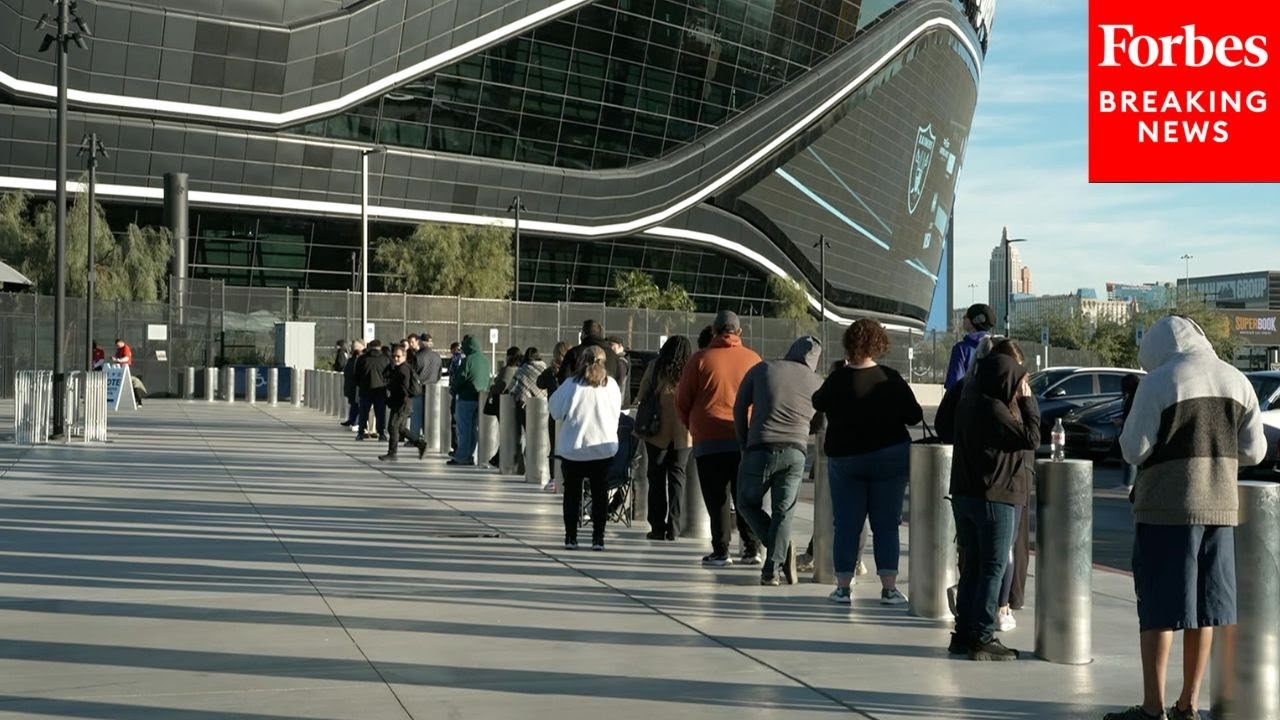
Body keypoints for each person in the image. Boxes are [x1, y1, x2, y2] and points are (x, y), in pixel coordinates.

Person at [1104, 315, 1266, 720]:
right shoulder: (1238, 381)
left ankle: (1152, 706)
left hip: (1165, 508)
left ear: (1158, 350)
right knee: (1205, 607)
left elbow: (1133, 450)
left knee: (1159, 608)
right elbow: (1255, 452)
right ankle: (1188, 704)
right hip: (1220, 507)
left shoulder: (1159, 381)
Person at [812, 320, 921, 606]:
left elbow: (817, 401)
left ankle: (843, 587)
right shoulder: (890, 377)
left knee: (846, 524)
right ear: (879, 344)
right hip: (889, 458)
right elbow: (914, 415)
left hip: (846, 459)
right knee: (886, 524)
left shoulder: (837, 379)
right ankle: (889, 588)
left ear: (849, 344)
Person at [949, 339, 1039, 661]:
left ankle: (963, 633)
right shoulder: (995, 408)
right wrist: (1028, 403)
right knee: (993, 567)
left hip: (965, 493)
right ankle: (984, 635)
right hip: (995, 495)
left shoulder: (970, 398)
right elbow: (1032, 438)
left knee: (972, 565)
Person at [734, 335, 823, 586]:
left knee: (746, 503)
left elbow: (739, 407)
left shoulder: (763, 368)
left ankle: (779, 548)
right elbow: (821, 423)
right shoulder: (818, 382)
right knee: (783, 512)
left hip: (759, 447)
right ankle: (771, 570)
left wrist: (743, 443)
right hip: (796, 453)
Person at [676, 310, 762, 566]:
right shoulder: (753, 360)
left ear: (713, 331)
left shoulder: (700, 359)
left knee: (716, 498)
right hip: (744, 437)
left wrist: (693, 424)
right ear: (740, 333)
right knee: (744, 495)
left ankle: (721, 550)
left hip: (709, 438)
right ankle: (751, 548)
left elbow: (683, 399)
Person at [550, 345, 623, 551]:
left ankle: (571, 537)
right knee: (600, 494)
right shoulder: (612, 386)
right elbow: (616, 413)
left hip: (574, 448)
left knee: (571, 494)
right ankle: (598, 538)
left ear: (581, 361)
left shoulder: (571, 385)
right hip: (603, 448)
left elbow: (555, 410)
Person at [635, 335, 693, 541]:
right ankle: (674, 527)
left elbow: (642, 394)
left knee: (656, 478)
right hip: (684, 433)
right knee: (678, 478)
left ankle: (657, 526)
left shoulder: (655, 366)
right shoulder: (691, 369)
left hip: (656, 430)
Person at [380, 344, 428, 462]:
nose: (396, 358)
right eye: (394, 356)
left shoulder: (403, 369)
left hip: (402, 402)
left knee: (393, 427)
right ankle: (420, 443)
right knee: (400, 428)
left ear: (404, 357)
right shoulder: (400, 368)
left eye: (398, 356)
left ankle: (392, 453)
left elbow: (404, 388)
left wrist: (396, 396)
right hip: (400, 402)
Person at [506, 347, 548, 477]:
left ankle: (524, 465)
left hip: (524, 407)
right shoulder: (544, 368)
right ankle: (538, 466)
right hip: (542, 406)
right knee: (539, 437)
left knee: (525, 436)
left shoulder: (523, 369)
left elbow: (513, 388)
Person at [449, 335, 490, 466]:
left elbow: (460, 379)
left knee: (464, 429)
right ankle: (471, 455)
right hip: (480, 398)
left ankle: (462, 457)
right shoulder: (486, 360)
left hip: (466, 398)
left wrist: (454, 389)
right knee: (474, 429)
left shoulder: (468, 360)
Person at [537, 341, 571, 493]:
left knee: (554, 445)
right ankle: (565, 477)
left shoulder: (552, 371)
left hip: (554, 411)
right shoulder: (572, 369)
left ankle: (554, 478)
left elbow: (540, 383)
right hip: (570, 412)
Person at [944, 303, 995, 389]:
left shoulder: (961, 349)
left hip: (968, 400)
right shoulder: (998, 347)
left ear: (975, 320)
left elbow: (954, 386)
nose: (963, 318)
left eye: (966, 316)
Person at [488, 346, 524, 468]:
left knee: (505, 432)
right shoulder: (521, 369)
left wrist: (492, 388)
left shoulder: (508, 369)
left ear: (509, 356)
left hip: (503, 404)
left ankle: (499, 458)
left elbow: (500, 386)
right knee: (514, 432)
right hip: (516, 404)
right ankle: (502, 458)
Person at [559, 320, 623, 386]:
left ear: (583, 333)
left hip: (580, 394)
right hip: (607, 394)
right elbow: (619, 379)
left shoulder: (574, 353)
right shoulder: (612, 355)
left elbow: (564, 378)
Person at [355, 340, 390, 441]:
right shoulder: (385, 359)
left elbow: (356, 375)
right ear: (380, 347)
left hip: (365, 390)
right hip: (380, 390)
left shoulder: (362, 359)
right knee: (380, 413)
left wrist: (361, 384)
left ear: (370, 347)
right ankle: (381, 433)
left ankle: (361, 432)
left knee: (363, 412)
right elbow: (390, 374)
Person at [1119, 373, 1141, 489]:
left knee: (1128, 458)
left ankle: (1129, 483)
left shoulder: (1132, 399)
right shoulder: (1137, 397)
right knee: (1128, 457)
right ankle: (1129, 482)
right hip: (1132, 428)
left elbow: (1129, 415)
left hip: (1131, 429)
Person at [340, 340, 365, 430]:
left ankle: (356, 421)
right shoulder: (352, 360)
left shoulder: (360, 359)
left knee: (358, 404)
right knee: (354, 403)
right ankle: (352, 419)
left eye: (357, 347)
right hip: (352, 385)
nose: (354, 348)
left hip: (358, 385)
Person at [447, 341, 463, 453]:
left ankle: (456, 446)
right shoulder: (467, 358)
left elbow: (452, 373)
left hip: (456, 392)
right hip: (464, 393)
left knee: (454, 419)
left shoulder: (455, 359)